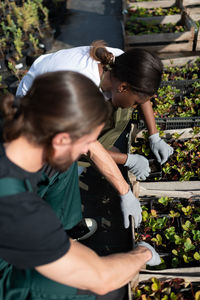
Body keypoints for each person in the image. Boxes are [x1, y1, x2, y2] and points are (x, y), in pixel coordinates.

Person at [0, 70, 161, 300]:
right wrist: (142, 254)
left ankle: (62, 235)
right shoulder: (14, 201)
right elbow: (101, 278)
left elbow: (89, 148)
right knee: (76, 289)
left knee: (61, 169)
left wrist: (125, 191)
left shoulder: (22, 115)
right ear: (61, 138)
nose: (86, 151)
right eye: (85, 143)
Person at [16, 40, 174, 182]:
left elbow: (142, 94)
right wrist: (127, 160)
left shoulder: (122, 63)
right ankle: (74, 164)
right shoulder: (81, 91)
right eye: (136, 103)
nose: (136, 107)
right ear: (123, 87)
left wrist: (154, 136)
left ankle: (104, 147)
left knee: (122, 109)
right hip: (36, 111)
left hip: (66, 98)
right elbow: (80, 143)